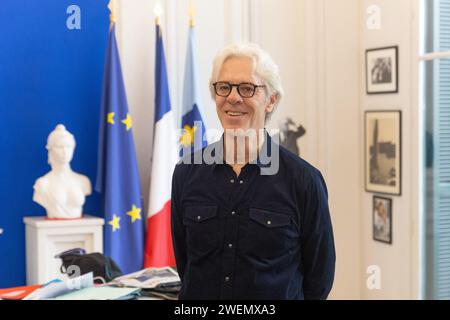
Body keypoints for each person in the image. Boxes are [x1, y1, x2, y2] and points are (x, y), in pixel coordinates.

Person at [171, 43, 335, 299]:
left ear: (271, 100)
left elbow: (319, 279)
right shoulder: (186, 173)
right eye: (224, 87)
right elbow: (186, 264)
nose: (233, 97)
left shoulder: (304, 180)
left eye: (247, 88)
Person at [33, 124, 92, 219]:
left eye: (68, 146)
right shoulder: (43, 184)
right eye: (60, 147)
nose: (65, 151)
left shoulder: (83, 181)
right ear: (51, 150)